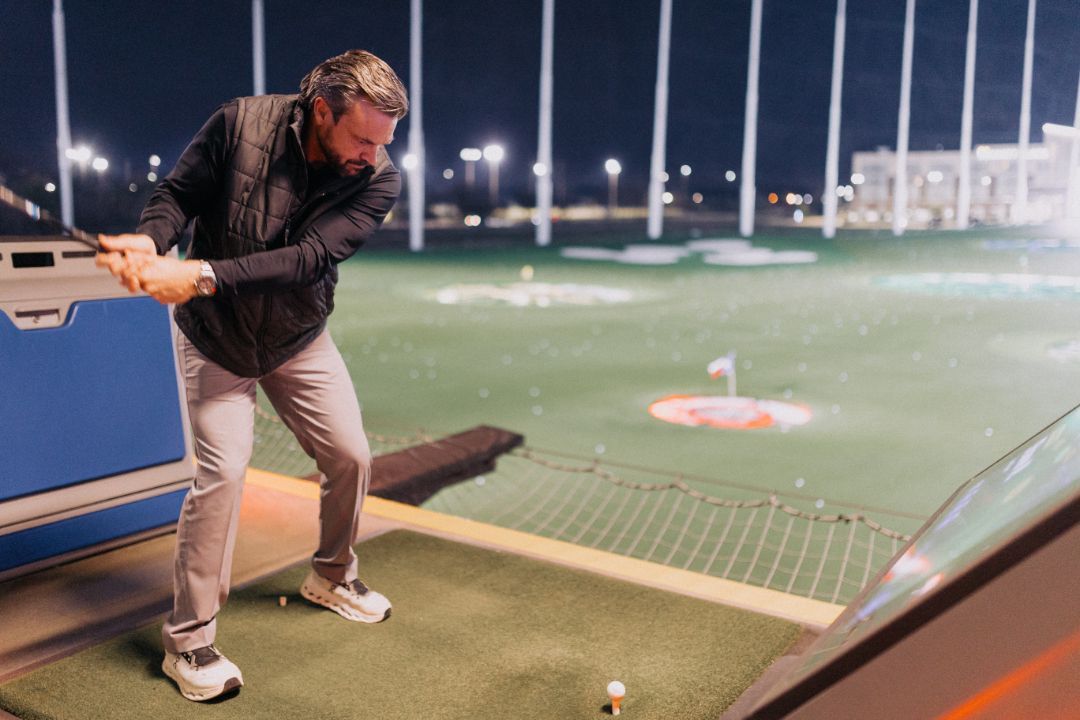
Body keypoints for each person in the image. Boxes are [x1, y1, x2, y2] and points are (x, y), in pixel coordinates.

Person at [96, 49, 408, 703]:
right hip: (216, 341)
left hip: (298, 336)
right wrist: (151, 242)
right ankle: (188, 644)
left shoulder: (379, 178)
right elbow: (177, 196)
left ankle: (332, 575)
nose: (371, 154)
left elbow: (308, 257)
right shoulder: (240, 125)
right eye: (361, 137)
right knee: (224, 473)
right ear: (322, 110)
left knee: (350, 454)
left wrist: (197, 274)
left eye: (382, 142)